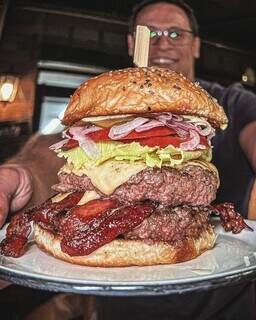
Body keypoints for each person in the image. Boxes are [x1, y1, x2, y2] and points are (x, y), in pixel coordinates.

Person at [0, 0, 256, 318]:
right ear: (133, 43)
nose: (163, 42)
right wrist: (25, 173)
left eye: (176, 33)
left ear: (197, 45)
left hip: (228, 305)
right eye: (149, 33)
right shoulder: (106, 95)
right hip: (121, 306)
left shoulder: (233, 102)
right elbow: (62, 149)